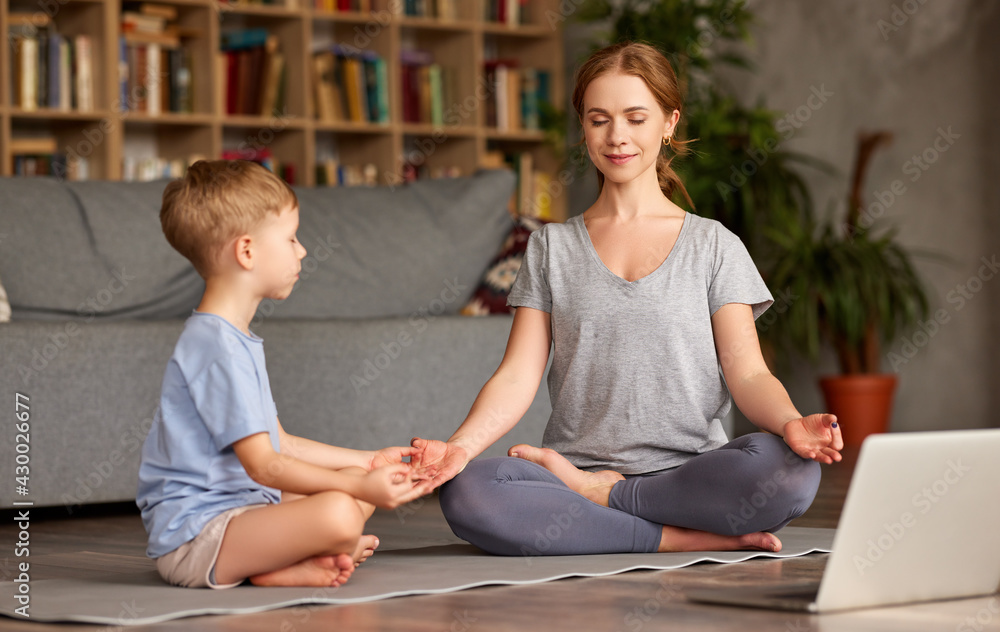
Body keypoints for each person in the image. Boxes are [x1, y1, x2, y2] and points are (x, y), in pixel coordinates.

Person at [410, 42, 843, 556]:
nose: (617, 137)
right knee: (470, 493)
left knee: (790, 473)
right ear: (583, 128)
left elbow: (747, 374)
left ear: (669, 123)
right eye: (599, 120)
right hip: (570, 471)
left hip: (691, 475)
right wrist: (458, 449)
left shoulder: (714, 245)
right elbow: (517, 375)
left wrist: (792, 424)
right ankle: (674, 537)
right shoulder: (551, 247)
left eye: (636, 118)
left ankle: (611, 501)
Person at [137, 160, 432, 588]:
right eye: (291, 238)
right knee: (341, 509)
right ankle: (287, 559)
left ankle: (283, 567)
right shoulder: (215, 346)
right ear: (247, 251)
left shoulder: (234, 337)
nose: (302, 250)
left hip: (242, 511)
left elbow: (283, 443)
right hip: (195, 539)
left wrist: (367, 464)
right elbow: (265, 467)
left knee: (349, 485)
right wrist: (365, 491)